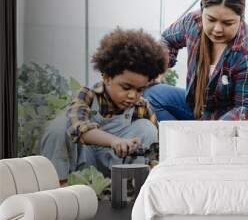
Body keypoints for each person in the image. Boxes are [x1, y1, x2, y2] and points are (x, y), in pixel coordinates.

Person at [40, 28, 168, 180]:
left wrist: (147, 156)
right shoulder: (88, 95)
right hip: (84, 165)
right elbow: (78, 127)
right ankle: (60, 185)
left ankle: (131, 185)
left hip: (116, 168)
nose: (133, 95)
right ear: (107, 77)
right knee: (60, 126)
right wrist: (114, 141)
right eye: (126, 87)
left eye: (139, 89)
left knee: (147, 128)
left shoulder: (141, 106)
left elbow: (160, 146)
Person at [144, 0, 248, 121]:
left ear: (241, 18)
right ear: (202, 10)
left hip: (233, 124)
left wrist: (213, 133)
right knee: (151, 95)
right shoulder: (193, 22)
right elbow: (167, 40)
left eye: (227, 23)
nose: (217, 29)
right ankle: (179, 139)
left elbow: (246, 109)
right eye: (211, 19)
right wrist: (158, 68)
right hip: (201, 109)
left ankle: (194, 140)